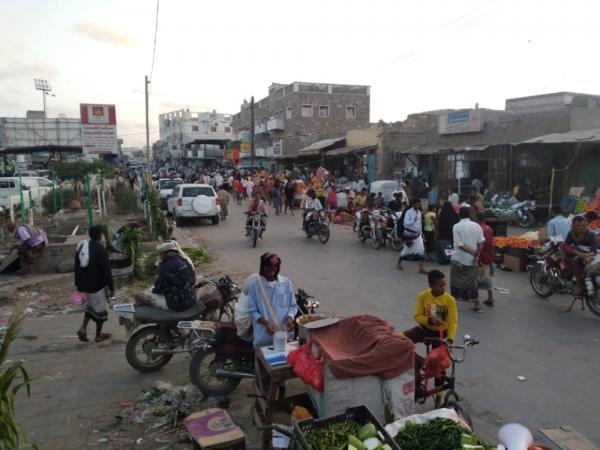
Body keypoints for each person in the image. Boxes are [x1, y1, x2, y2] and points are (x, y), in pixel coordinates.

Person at [246, 253, 297, 347]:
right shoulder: (255, 285)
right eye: (269, 266)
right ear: (263, 267)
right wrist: (266, 324)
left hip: (285, 335)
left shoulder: (286, 283)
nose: (272, 269)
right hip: (264, 337)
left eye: (275, 266)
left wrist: (290, 319)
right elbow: (252, 311)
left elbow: (292, 306)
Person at [75, 225, 114, 343]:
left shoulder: (82, 246)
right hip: (98, 284)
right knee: (101, 310)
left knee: (91, 306)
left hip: (86, 284)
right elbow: (106, 270)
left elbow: (76, 266)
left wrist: (79, 284)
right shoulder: (100, 249)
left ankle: (83, 328)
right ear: (99, 235)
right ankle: (98, 335)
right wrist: (111, 287)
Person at [134, 241, 196, 311]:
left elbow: (158, 288)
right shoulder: (184, 260)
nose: (160, 257)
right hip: (190, 298)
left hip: (177, 303)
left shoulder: (167, 266)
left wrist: (153, 291)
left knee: (140, 296)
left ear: (164, 253)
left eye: (160, 254)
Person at [403, 269, 458, 344]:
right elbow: (417, 316)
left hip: (441, 332)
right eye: (440, 286)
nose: (443, 288)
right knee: (401, 339)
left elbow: (453, 322)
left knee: (436, 354)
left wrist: (450, 339)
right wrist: (430, 320)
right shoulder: (423, 296)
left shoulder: (450, 300)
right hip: (425, 329)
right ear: (431, 285)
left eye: (444, 285)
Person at [450, 207, 485, 311]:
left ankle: (453, 303)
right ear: (469, 214)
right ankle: (476, 303)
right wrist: (476, 255)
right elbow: (481, 242)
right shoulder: (476, 226)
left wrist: (472, 252)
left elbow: (459, 244)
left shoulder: (456, 226)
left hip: (458, 258)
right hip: (472, 260)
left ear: (459, 215)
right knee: (472, 282)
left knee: (455, 282)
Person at [562, 216, 597, 296]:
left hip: (588, 257)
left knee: (576, 260)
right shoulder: (571, 233)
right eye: (578, 226)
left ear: (586, 225)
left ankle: (578, 285)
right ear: (573, 226)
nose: (581, 228)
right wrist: (579, 253)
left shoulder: (591, 235)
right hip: (578, 254)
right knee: (563, 248)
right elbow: (565, 245)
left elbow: (594, 251)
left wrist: (585, 255)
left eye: (583, 225)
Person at [396, 199, 427, 274]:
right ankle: (398, 263)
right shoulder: (408, 212)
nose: (418, 206)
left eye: (419, 204)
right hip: (409, 234)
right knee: (406, 250)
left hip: (418, 235)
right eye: (416, 204)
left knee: (422, 250)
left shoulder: (419, 212)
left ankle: (421, 268)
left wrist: (422, 234)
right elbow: (405, 224)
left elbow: (420, 224)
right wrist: (413, 220)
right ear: (413, 204)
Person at [475, 212, 495, 307]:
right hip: (488, 256)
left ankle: (476, 301)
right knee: (486, 277)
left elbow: (478, 243)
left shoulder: (476, 228)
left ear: (476, 218)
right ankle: (490, 297)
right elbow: (490, 243)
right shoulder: (489, 228)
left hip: (479, 255)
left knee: (475, 278)